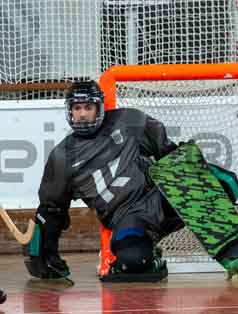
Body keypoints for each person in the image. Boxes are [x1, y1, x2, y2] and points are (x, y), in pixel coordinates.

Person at [24, 80, 184, 282]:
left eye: (88, 107)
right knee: (132, 262)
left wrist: (190, 165)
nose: (82, 114)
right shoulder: (61, 158)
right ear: (69, 111)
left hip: (161, 197)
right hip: (128, 218)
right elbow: (52, 210)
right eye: (77, 108)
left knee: (223, 182)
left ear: (99, 108)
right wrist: (45, 252)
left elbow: (168, 153)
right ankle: (149, 250)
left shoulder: (128, 121)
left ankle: (234, 252)